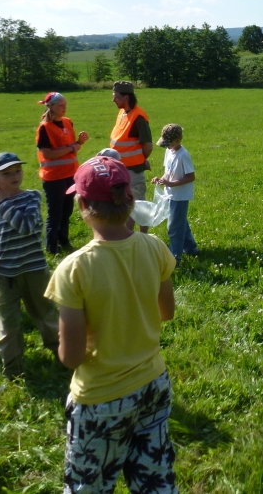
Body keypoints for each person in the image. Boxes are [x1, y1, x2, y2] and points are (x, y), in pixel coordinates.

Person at [45, 156, 177, 493]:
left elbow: (71, 357)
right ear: (131, 200)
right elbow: (166, 312)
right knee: (156, 482)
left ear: (82, 206)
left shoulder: (74, 269)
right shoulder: (155, 247)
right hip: (153, 384)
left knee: (88, 487)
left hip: (100, 399)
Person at [0, 152, 59, 379]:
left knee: (46, 315)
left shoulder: (31, 197)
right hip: (5, 275)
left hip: (34, 270)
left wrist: (3, 203)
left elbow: (26, 227)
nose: (15, 176)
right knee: (8, 324)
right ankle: (13, 369)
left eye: (17, 171)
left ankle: (63, 354)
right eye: (7, 173)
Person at [36, 92, 89, 254]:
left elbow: (71, 146)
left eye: (65, 105)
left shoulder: (68, 122)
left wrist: (79, 142)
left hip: (70, 175)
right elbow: (47, 154)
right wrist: (72, 148)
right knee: (55, 213)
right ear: (51, 107)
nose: (64, 108)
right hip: (53, 177)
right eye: (60, 105)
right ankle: (52, 247)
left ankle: (64, 242)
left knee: (67, 211)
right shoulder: (44, 128)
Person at [110, 80, 153, 232]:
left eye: (116, 96)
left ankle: (143, 238)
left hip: (133, 171)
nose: (113, 100)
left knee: (139, 205)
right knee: (127, 205)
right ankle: (129, 237)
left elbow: (148, 146)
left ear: (126, 97)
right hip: (121, 169)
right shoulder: (122, 112)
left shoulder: (139, 117)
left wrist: (141, 160)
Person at [152, 123, 198, 261]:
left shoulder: (183, 155)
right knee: (180, 222)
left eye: (169, 143)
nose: (167, 146)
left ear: (178, 140)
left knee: (174, 227)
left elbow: (191, 177)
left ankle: (175, 256)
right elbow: (168, 171)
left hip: (180, 196)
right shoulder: (169, 151)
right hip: (170, 193)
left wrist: (172, 183)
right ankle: (191, 248)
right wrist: (161, 179)